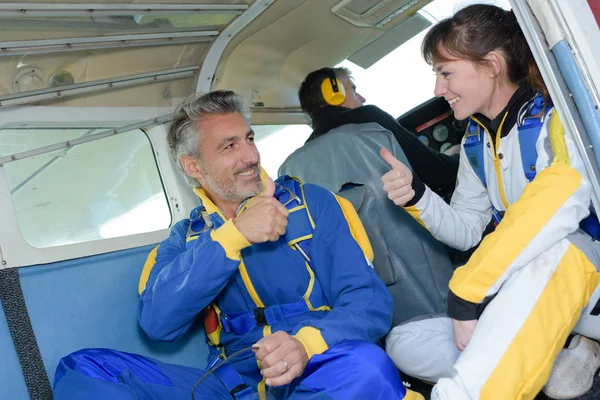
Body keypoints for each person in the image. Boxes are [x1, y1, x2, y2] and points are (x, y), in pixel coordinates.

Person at [52, 90, 421, 400]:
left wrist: (307, 344)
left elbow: (369, 302)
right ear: (193, 166)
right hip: (232, 386)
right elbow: (158, 324)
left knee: (368, 369)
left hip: (319, 364)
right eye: (229, 146)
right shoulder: (185, 239)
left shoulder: (312, 204)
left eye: (249, 139)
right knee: (84, 368)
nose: (250, 156)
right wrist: (233, 237)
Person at [381, 4, 600, 400]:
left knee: (555, 249)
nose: (437, 90)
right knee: (403, 341)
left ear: (492, 64)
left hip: (586, 276)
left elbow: (561, 198)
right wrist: (417, 195)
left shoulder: (556, 116)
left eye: (445, 73)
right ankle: (555, 353)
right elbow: (466, 231)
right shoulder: (474, 143)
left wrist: (470, 289)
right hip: (525, 286)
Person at [298, 67, 459, 197]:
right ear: (334, 93)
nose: (361, 98)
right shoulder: (367, 118)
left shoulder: (303, 160)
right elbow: (436, 172)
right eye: (353, 89)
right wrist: (462, 157)